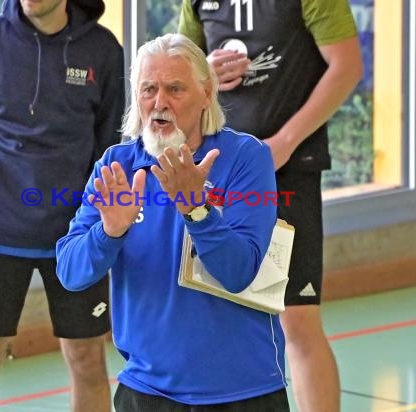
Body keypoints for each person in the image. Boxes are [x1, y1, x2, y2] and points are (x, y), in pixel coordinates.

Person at [56, 33, 289, 411]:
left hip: (242, 391)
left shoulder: (245, 158)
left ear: (206, 93)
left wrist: (197, 209)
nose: (159, 103)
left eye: (175, 89)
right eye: (148, 89)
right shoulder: (118, 166)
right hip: (146, 391)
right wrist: (109, 231)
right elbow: (71, 272)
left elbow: (239, 271)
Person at [178, 1, 363, 411]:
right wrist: (204, 70)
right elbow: (178, 64)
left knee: (296, 318)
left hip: (287, 169)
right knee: (214, 315)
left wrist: (284, 143)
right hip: (217, 171)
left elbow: (347, 66)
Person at [0, 0, 124, 410]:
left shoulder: (103, 50)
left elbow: (110, 139)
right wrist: (1, 185)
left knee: (87, 358)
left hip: (77, 231)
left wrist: (86, 203)